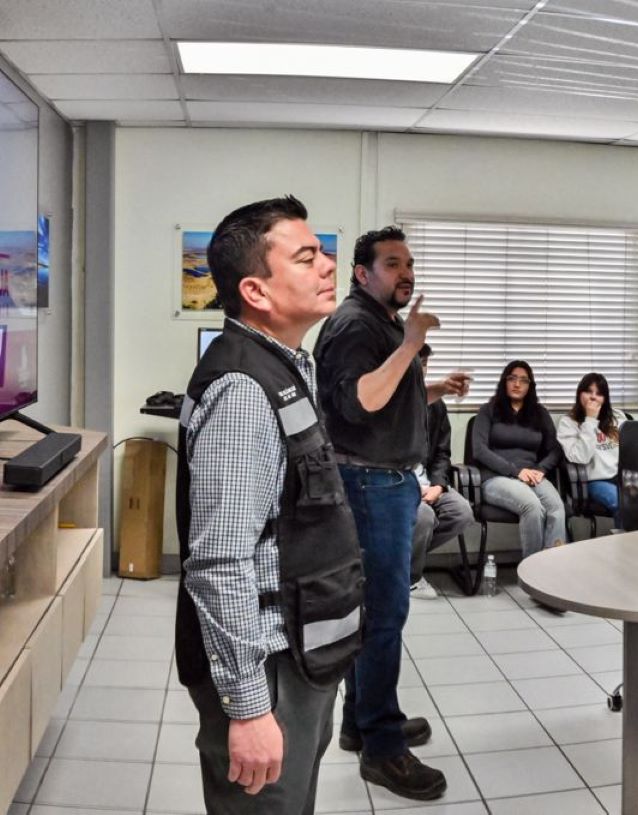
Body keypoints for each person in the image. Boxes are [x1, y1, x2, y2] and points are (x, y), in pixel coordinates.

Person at [177, 197, 363, 814]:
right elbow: (219, 562)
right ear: (255, 290)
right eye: (308, 256)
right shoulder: (242, 390)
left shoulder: (286, 365)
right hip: (268, 669)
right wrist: (249, 706)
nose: (329, 265)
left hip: (301, 655)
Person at [315, 225, 469, 800]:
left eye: (409, 263)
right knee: (383, 615)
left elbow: (386, 398)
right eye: (391, 263)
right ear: (362, 273)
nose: (406, 272)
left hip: (390, 479)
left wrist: (433, 390)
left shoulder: (379, 321)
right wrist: (410, 344)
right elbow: (356, 404)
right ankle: (382, 747)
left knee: (375, 612)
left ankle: (362, 720)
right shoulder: (356, 324)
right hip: (368, 484)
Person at [471, 361, 568, 558]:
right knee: (531, 506)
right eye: (512, 378)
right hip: (495, 478)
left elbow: (556, 450)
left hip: (532, 476)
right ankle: (532, 572)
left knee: (557, 508)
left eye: (524, 380)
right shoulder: (489, 410)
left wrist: (541, 469)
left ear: (530, 386)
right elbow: (479, 450)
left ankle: (553, 569)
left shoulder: (539, 413)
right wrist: (515, 471)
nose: (517, 384)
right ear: (504, 382)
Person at [406, 345, 472, 601]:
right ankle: (410, 578)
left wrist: (438, 485)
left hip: (427, 480)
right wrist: (414, 489)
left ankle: (403, 559)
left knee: (461, 512)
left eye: (424, 363)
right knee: (423, 516)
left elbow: (442, 454)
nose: (421, 368)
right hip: (400, 483)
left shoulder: (436, 406)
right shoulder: (387, 401)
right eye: (416, 362)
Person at [556, 372, 630, 526]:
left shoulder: (617, 417)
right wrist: (590, 419)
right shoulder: (568, 422)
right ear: (579, 394)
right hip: (594, 480)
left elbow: (631, 449)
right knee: (623, 505)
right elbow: (581, 457)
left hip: (623, 477)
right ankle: (626, 548)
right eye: (588, 392)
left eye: (599, 393)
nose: (593, 397)